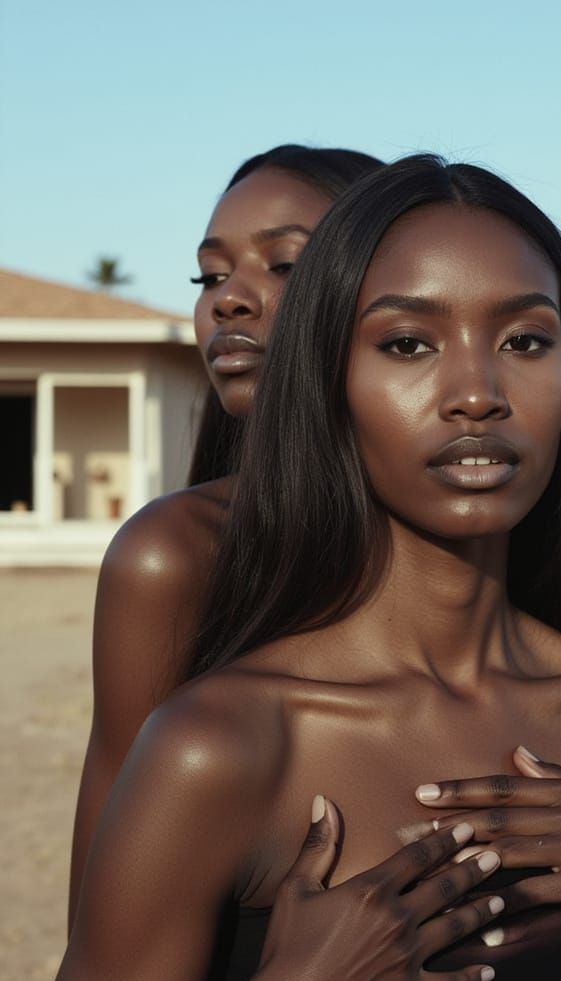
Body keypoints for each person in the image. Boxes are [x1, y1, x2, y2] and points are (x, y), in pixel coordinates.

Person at [48, 155, 561, 981]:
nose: (476, 394)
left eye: (526, 341)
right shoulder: (218, 750)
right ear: (327, 384)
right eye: (408, 344)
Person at [67, 145, 383, 925]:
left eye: (283, 264)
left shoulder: (470, 555)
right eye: (210, 276)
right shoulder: (173, 556)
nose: (229, 301)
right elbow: (103, 926)